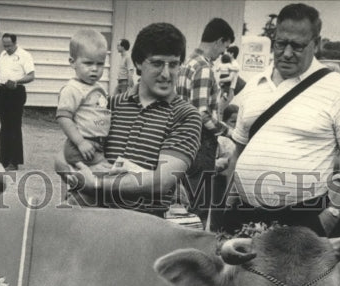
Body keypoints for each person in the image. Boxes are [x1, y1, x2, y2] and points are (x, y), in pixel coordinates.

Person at [220, 3, 340, 234]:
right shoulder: (255, 84)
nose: (287, 53)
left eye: (298, 46)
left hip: (303, 219)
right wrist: (224, 211)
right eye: (281, 43)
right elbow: (238, 153)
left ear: (316, 44)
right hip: (243, 217)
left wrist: (331, 215)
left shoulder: (339, 90)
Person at [60, 22, 201, 216]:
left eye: (174, 64)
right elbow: (63, 157)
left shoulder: (185, 115)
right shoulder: (110, 105)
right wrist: (72, 171)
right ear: (138, 63)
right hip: (93, 219)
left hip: (142, 228)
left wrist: (96, 183)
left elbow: (162, 181)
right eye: (157, 63)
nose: (166, 74)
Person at [175, 18, 234, 227]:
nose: (222, 54)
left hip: (182, 139)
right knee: (198, 206)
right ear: (219, 41)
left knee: (183, 203)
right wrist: (227, 131)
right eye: (224, 47)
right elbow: (201, 114)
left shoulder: (185, 65)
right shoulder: (204, 68)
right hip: (201, 143)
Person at [56, 29, 111, 170]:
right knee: (104, 173)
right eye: (88, 63)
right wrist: (80, 142)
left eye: (100, 64)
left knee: (96, 179)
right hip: (79, 146)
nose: (95, 69)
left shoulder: (98, 88)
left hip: (95, 144)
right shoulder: (73, 88)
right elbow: (63, 118)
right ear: (72, 62)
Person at [0, 33, 35, 170]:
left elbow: (31, 76)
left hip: (16, 92)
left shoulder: (24, 55)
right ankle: (3, 160)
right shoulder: (3, 55)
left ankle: (14, 161)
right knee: (4, 126)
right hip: (3, 91)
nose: (7, 48)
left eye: (9, 46)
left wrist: (17, 81)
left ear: (15, 43)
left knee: (14, 126)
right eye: (4, 45)